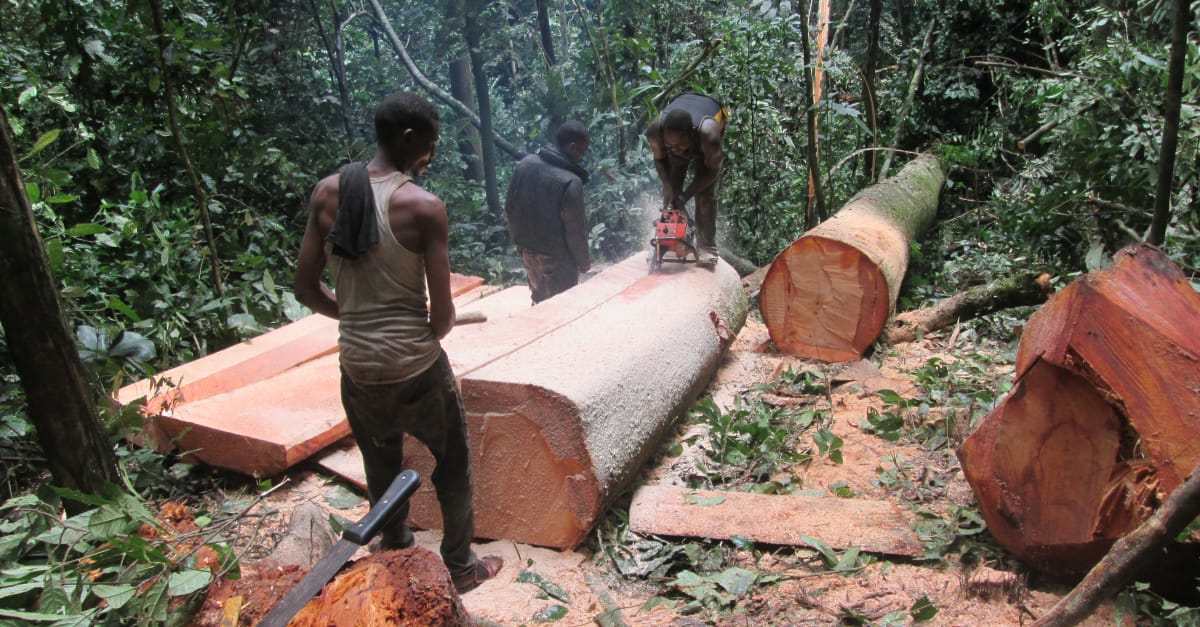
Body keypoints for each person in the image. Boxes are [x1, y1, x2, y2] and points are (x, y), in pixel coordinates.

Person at [293, 91, 502, 593]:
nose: (430, 156)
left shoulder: (327, 193)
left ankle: (396, 550)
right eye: (429, 145)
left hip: (358, 369)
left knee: (381, 462)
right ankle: (459, 566)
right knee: (452, 465)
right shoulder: (423, 207)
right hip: (416, 368)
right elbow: (444, 313)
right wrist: (418, 334)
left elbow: (304, 288)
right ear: (408, 139)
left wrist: (355, 318)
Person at [504, 121, 592, 304]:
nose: (582, 158)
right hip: (556, 258)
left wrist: (520, 244)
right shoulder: (571, 182)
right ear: (573, 147)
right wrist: (584, 261)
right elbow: (575, 229)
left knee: (539, 301)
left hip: (527, 251)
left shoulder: (525, 164)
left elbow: (509, 207)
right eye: (582, 153)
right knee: (562, 308)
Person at [645, 92, 728, 266]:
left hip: (714, 113)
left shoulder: (709, 137)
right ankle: (672, 238)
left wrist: (686, 195)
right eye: (670, 146)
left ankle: (706, 246)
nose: (676, 149)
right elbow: (660, 159)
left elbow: (713, 171)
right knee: (673, 193)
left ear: (690, 134)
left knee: (704, 193)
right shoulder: (654, 132)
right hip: (684, 117)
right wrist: (669, 187)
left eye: (681, 144)